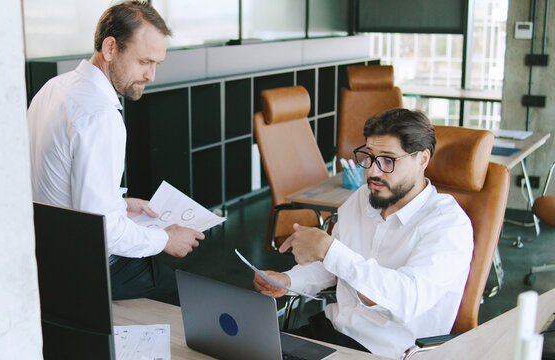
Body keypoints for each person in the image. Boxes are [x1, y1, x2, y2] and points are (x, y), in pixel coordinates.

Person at [254, 109, 474, 358]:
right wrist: (290, 281)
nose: (373, 172)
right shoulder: (363, 198)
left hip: (388, 352)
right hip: (335, 331)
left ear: (422, 159)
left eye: (388, 160)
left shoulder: (448, 224)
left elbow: (406, 301)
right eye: (369, 157)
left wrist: (328, 250)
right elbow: (333, 265)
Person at [27, 1, 204, 306]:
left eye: (156, 64)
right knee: (195, 300)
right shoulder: (99, 116)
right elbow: (104, 231)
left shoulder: (53, 88)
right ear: (110, 49)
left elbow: (53, 185)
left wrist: (118, 203)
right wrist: (166, 239)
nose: (151, 75)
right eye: (144, 61)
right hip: (86, 271)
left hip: (43, 258)